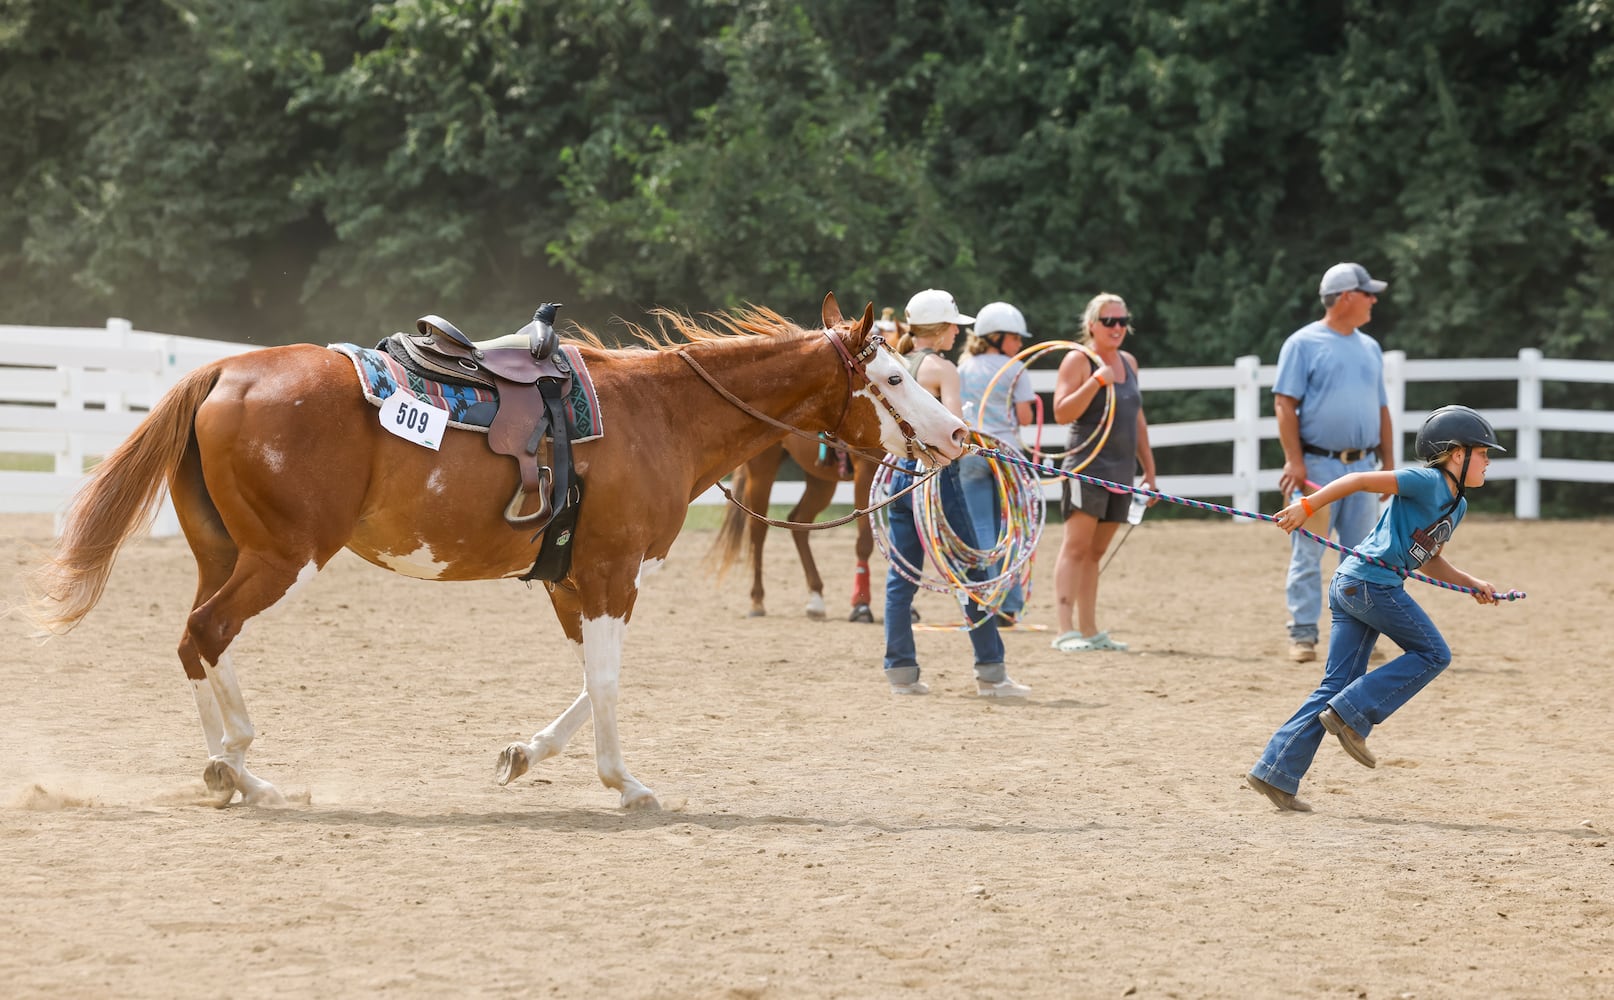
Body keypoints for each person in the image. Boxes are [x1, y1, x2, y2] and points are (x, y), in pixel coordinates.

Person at [1247, 405, 1508, 811]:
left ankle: (1275, 772)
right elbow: (1356, 479)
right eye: (1483, 453)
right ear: (1457, 454)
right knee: (1434, 654)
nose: (1488, 462)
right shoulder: (1426, 480)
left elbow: (1427, 556)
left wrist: (1471, 582)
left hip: (1355, 586)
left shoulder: (1456, 505)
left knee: (1335, 688)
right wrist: (1308, 506)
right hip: (1370, 586)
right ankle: (1352, 714)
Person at [881, 288, 1031, 698]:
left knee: (901, 576)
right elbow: (954, 431)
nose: (956, 334)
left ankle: (901, 672)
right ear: (943, 329)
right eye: (953, 326)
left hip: (898, 477)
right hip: (936, 482)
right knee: (972, 572)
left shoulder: (892, 363)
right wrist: (979, 444)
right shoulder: (942, 369)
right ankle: (992, 674)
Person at [1274, 262, 1395, 664]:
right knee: (1309, 551)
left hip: (1363, 468)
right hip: (1318, 466)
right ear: (1346, 297)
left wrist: (1389, 466)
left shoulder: (1370, 347)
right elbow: (1284, 404)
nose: (1374, 300)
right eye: (1367, 293)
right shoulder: (1303, 344)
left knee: (1361, 555)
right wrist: (1295, 460)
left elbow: (1381, 409)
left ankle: (1355, 634)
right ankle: (1304, 634)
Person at [1048, 293, 1157, 653]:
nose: (1117, 328)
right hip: (1086, 468)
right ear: (1092, 325)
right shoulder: (1077, 361)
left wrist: (1150, 470)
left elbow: (1137, 419)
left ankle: (1090, 630)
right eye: (1109, 321)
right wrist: (1096, 381)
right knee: (1076, 548)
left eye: (1122, 321)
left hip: (1121, 471)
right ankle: (1065, 630)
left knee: (1095, 553)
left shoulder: (1129, 362)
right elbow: (1062, 413)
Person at [957, 301, 1038, 625]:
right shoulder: (1015, 368)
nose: (1019, 344)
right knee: (1013, 528)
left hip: (975, 450)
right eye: (1015, 338)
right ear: (997, 337)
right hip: (1007, 452)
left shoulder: (963, 367)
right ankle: (1010, 603)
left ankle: (986, 599)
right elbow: (1025, 417)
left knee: (981, 528)